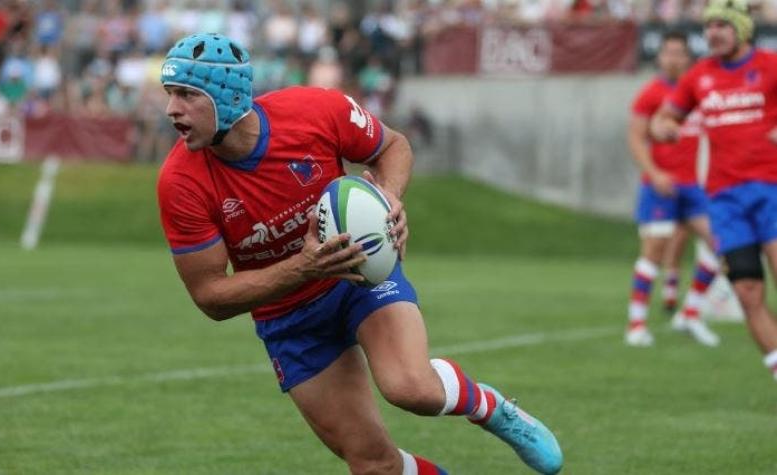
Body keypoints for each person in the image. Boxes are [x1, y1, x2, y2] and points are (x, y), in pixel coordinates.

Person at [156, 33, 563, 474]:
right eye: (169, 94)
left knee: (412, 388)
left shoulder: (315, 111)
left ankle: (492, 408)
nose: (171, 109)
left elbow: (393, 146)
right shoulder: (180, 183)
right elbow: (210, 296)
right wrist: (304, 266)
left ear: (228, 96)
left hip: (359, 277)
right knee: (375, 466)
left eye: (186, 95)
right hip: (288, 321)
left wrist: (388, 197)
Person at [652, 0, 777, 380]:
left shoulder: (769, 67)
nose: (713, 32)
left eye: (722, 24)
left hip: (771, 192)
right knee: (748, 293)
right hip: (725, 201)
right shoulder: (699, 76)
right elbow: (664, 118)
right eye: (708, 26)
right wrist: (664, 128)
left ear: (741, 28)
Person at [625, 30, 720, 347]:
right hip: (661, 186)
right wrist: (655, 173)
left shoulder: (698, 89)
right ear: (660, 56)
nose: (673, 58)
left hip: (693, 187)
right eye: (668, 52)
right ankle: (636, 324)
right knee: (654, 251)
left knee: (722, 245)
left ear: (688, 57)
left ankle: (690, 314)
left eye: (679, 52)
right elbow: (636, 138)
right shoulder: (651, 93)